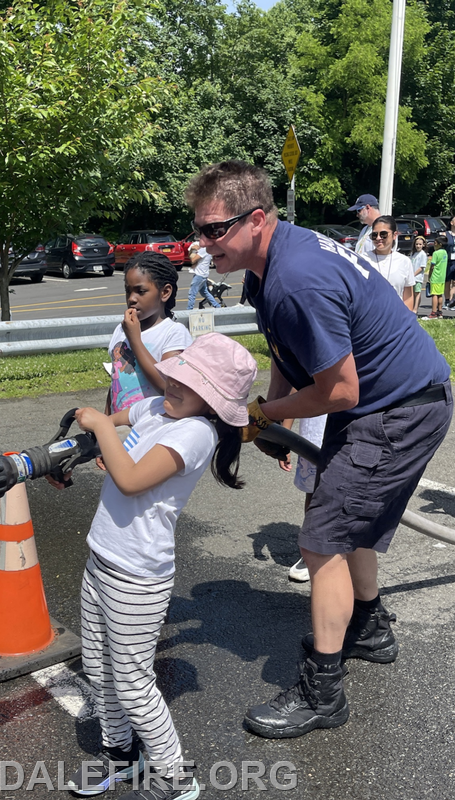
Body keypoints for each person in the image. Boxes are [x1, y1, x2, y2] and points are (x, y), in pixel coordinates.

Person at [186, 160, 452, 739]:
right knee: (341, 518)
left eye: (213, 230)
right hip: (379, 403)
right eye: (199, 229)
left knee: (322, 537)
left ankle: (323, 693)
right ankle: (371, 628)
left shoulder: (297, 277)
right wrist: (271, 415)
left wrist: (263, 414)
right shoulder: (267, 269)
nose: (202, 243)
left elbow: (338, 390)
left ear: (256, 220)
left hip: (400, 408)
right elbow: (287, 353)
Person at [57, 333, 256, 800]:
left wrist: (106, 436)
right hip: (101, 558)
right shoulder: (157, 409)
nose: (173, 384)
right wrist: (97, 437)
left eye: (188, 384)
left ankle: (174, 775)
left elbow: (128, 480)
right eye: (176, 375)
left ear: (214, 401)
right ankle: (121, 755)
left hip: (138, 577)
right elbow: (118, 422)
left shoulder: (195, 433)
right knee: (99, 667)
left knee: (133, 682)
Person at [107, 252, 192, 414]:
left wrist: (135, 340)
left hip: (152, 429)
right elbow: (115, 383)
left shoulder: (174, 333)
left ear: (165, 292)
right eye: (128, 291)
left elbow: (167, 386)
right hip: (119, 430)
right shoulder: (121, 329)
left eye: (141, 291)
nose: (132, 298)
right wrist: (104, 423)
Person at [279, 415, 328, 582]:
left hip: (351, 430)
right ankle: (312, 548)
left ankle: (347, 551)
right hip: (314, 434)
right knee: (314, 492)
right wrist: (283, 437)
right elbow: (293, 388)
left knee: (348, 492)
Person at [362, 215, 415, 309]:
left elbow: (408, 297)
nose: (378, 238)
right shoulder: (362, 260)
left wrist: (407, 320)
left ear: (394, 235)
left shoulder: (404, 261)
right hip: (370, 318)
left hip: (395, 319)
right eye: (374, 235)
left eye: (383, 234)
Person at [186, 240, 221, 310]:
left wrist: (194, 249)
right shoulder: (207, 249)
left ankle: (189, 310)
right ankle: (217, 306)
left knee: (192, 293)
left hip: (200, 275)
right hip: (203, 274)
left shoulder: (204, 250)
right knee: (205, 292)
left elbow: (193, 260)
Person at [424, 236, 448, 319]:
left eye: (435, 243)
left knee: (434, 294)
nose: (434, 245)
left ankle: (433, 312)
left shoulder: (436, 253)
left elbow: (432, 266)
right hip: (442, 277)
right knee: (440, 294)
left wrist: (430, 275)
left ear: (440, 244)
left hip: (436, 276)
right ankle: (439, 311)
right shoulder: (445, 252)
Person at [410, 236, 428, 315]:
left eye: (420, 244)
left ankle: (415, 308)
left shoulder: (423, 254)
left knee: (417, 293)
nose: (418, 246)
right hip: (411, 277)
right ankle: (412, 306)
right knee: (412, 293)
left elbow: (421, 267)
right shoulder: (413, 254)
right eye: (417, 244)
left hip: (417, 277)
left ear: (423, 245)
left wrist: (414, 274)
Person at [445, 216, 455, 308]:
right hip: (448, 260)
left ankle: (453, 300)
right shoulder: (446, 234)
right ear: (451, 223)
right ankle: (447, 300)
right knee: (447, 281)